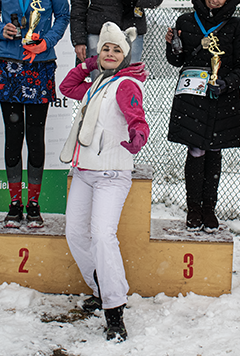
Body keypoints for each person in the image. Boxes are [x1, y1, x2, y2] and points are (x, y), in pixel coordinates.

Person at [59, 22, 149, 342]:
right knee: (74, 233)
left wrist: (139, 133)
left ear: (125, 56)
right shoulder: (96, 83)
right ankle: (100, 285)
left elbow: (136, 114)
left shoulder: (126, 84)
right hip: (84, 172)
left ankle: (114, 310)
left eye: (116, 50)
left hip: (111, 173)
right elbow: (67, 88)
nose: (110, 54)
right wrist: (87, 64)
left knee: (102, 236)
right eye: (106, 49)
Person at [0, 0, 70, 228]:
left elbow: (64, 15)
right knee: (13, 135)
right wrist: (0, 30)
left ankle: (34, 204)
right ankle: (14, 204)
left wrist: (47, 41)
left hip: (40, 63)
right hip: (9, 63)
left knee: (35, 135)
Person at [165, 0, 240, 232]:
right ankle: (193, 210)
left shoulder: (236, 26)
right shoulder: (185, 21)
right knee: (195, 150)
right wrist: (172, 46)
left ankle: (209, 210)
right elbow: (176, 61)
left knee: (213, 151)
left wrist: (226, 83)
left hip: (221, 98)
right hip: (191, 97)